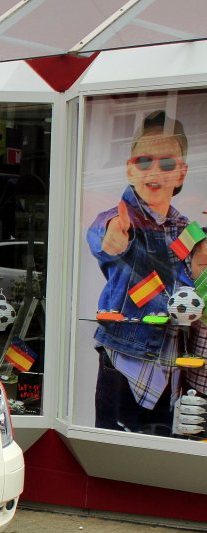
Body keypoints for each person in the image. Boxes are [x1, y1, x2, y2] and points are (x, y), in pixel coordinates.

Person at [86, 110, 191, 434]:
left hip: (172, 370)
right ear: (130, 169)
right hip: (124, 365)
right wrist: (116, 238)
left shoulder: (188, 230)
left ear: (181, 173)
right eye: (144, 161)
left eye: (167, 163)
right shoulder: (115, 218)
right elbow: (103, 238)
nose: (154, 171)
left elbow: (190, 289)